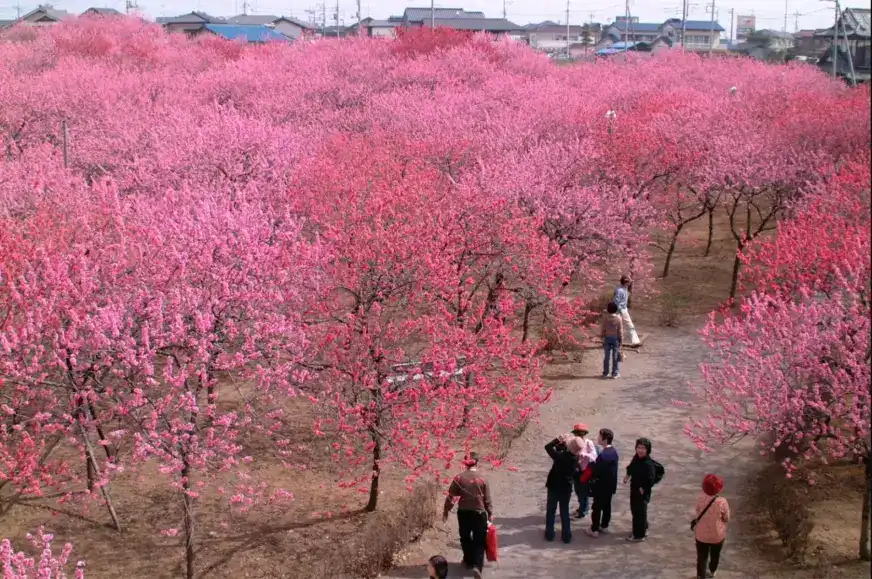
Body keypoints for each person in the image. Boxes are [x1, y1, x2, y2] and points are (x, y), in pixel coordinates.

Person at [443, 452, 492, 578]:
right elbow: (487, 499)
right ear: (477, 462)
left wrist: (446, 510)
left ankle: (468, 561)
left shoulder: (458, 478)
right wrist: (490, 512)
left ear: (465, 463)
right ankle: (477, 566)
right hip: (479, 513)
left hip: (464, 513)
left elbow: (451, 497)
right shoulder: (482, 478)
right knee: (479, 540)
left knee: (465, 537)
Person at [544, 433, 581, 543]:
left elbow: (548, 447)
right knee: (564, 511)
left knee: (551, 510)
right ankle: (566, 536)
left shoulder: (560, 457)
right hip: (566, 488)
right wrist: (565, 445)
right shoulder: (576, 458)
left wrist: (557, 440)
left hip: (554, 486)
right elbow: (569, 452)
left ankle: (549, 535)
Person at [694, 474, 730, 579]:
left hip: (701, 535)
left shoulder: (700, 499)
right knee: (715, 555)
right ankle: (712, 570)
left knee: (702, 556)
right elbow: (726, 518)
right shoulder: (722, 502)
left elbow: (697, 512)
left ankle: (701, 575)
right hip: (717, 535)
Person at [585, 428, 619, 538]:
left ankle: (594, 529)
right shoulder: (613, 451)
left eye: (599, 436)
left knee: (597, 507)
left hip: (601, 487)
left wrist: (590, 466)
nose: (598, 438)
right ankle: (604, 526)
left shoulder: (604, 455)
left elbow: (596, 470)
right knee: (607, 506)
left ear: (604, 439)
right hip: (610, 486)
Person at [624, 437, 657, 542]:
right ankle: (644, 528)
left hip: (642, 492)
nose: (640, 450)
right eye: (638, 447)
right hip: (634, 488)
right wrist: (627, 476)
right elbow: (631, 467)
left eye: (643, 448)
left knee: (639, 512)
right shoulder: (636, 458)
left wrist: (644, 488)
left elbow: (651, 479)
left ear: (647, 450)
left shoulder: (648, 464)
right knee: (639, 511)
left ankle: (638, 535)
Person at [570, 423, 598, 519]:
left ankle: (583, 511)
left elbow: (594, 455)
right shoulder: (573, 442)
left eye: (581, 433)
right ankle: (581, 507)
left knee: (584, 492)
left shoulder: (588, 442)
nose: (579, 435)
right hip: (575, 470)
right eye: (577, 433)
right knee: (577, 490)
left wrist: (585, 455)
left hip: (585, 471)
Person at [613, 275, 641, 346]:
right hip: (619, 310)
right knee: (616, 325)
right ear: (624, 282)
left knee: (628, 325)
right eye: (627, 282)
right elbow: (616, 302)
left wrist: (631, 281)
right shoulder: (619, 290)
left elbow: (630, 287)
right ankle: (612, 340)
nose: (628, 283)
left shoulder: (625, 288)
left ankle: (635, 341)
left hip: (623, 309)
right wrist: (620, 310)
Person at [601, 302, 624, 379]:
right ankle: (615, 373)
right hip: (615, 338)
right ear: (616, 309)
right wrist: (621, 340)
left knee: (606, 356)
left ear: (608, 310)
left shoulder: (605, 318)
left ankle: (605, 373)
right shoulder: (618, 318)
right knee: (615, 356)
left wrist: (602, 337)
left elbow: (603, 329)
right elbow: (620, 331)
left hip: (607, 338)